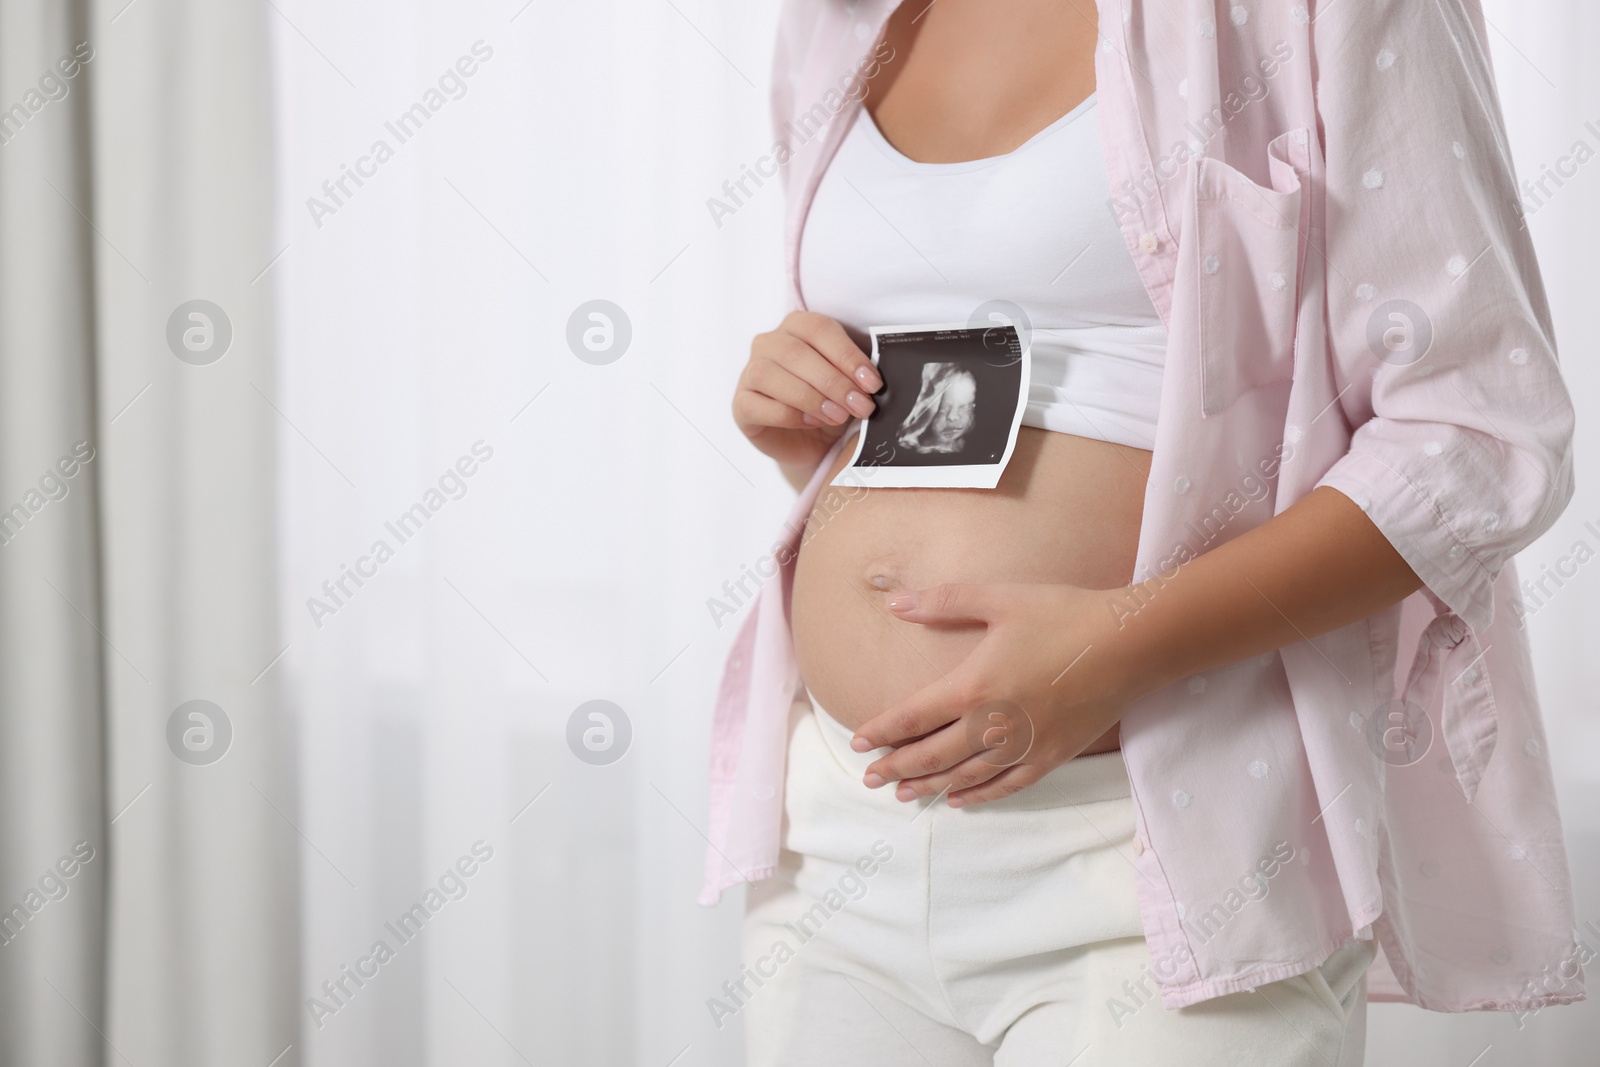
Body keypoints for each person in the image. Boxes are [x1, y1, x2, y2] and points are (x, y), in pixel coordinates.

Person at [712, 1, 1584, 1063]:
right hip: (839, 831)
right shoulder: (832, 20)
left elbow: (1477, 436)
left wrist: (1116, 643)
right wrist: (797, 426)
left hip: (1165, 841)